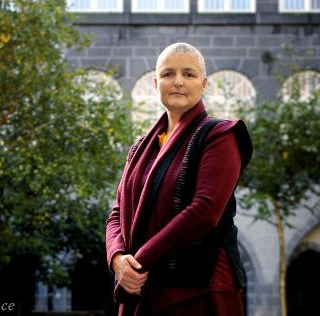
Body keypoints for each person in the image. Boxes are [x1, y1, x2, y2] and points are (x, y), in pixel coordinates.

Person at [105, 42, 253, 316]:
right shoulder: (141, 148)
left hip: (200, 287)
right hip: (144, 284)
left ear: (204, 83)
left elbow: (204, 211)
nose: (178, 82)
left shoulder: (220, 135)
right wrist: (117, 259)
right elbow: (118, 211)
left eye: (189, 74)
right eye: (168, 74)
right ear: (156, 82)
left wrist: (137, 263)